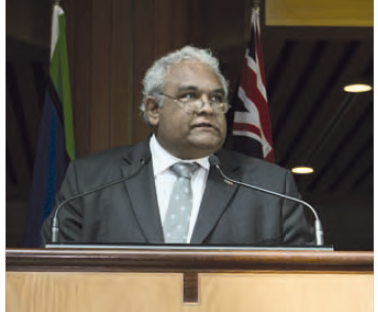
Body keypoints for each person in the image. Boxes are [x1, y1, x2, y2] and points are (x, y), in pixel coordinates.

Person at [41, 46, 313, 246]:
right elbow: (54, 276)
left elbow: (305, 281)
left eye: (216, 98)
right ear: (154, 109)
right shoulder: (89, 181)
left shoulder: (273, 188)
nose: (207, 107)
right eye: (190, 96)